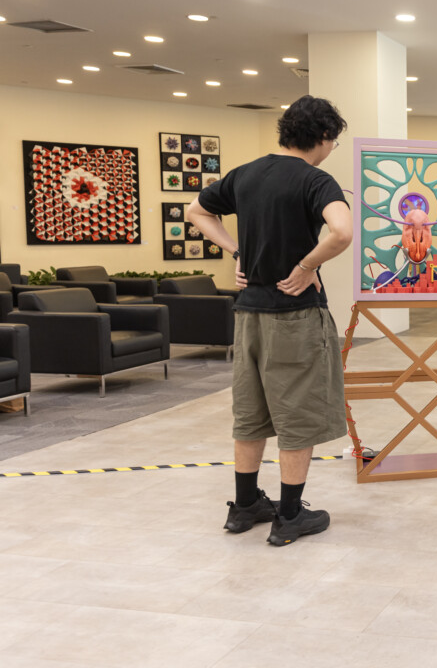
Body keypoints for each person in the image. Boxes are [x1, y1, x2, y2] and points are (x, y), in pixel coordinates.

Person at [188, 95, 353, 546]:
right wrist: (306, 267)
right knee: (297, 413)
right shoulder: (315, 180)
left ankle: (244, 507)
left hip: (248, 315)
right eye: (333, 141)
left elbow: (196, 211)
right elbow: (342, 231)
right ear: (321, 138)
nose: (331, 149)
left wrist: (236, 250)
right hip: (295, 318)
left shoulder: (244, 174)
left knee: (251, 411)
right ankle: (290, 515)